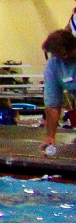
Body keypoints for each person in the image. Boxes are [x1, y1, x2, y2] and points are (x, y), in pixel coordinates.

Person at [39, 28, 76, 156]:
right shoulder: (54, 64)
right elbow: (52, 103)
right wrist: (50, 136)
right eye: (55, 55)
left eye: (62, 55)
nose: (59, 59)